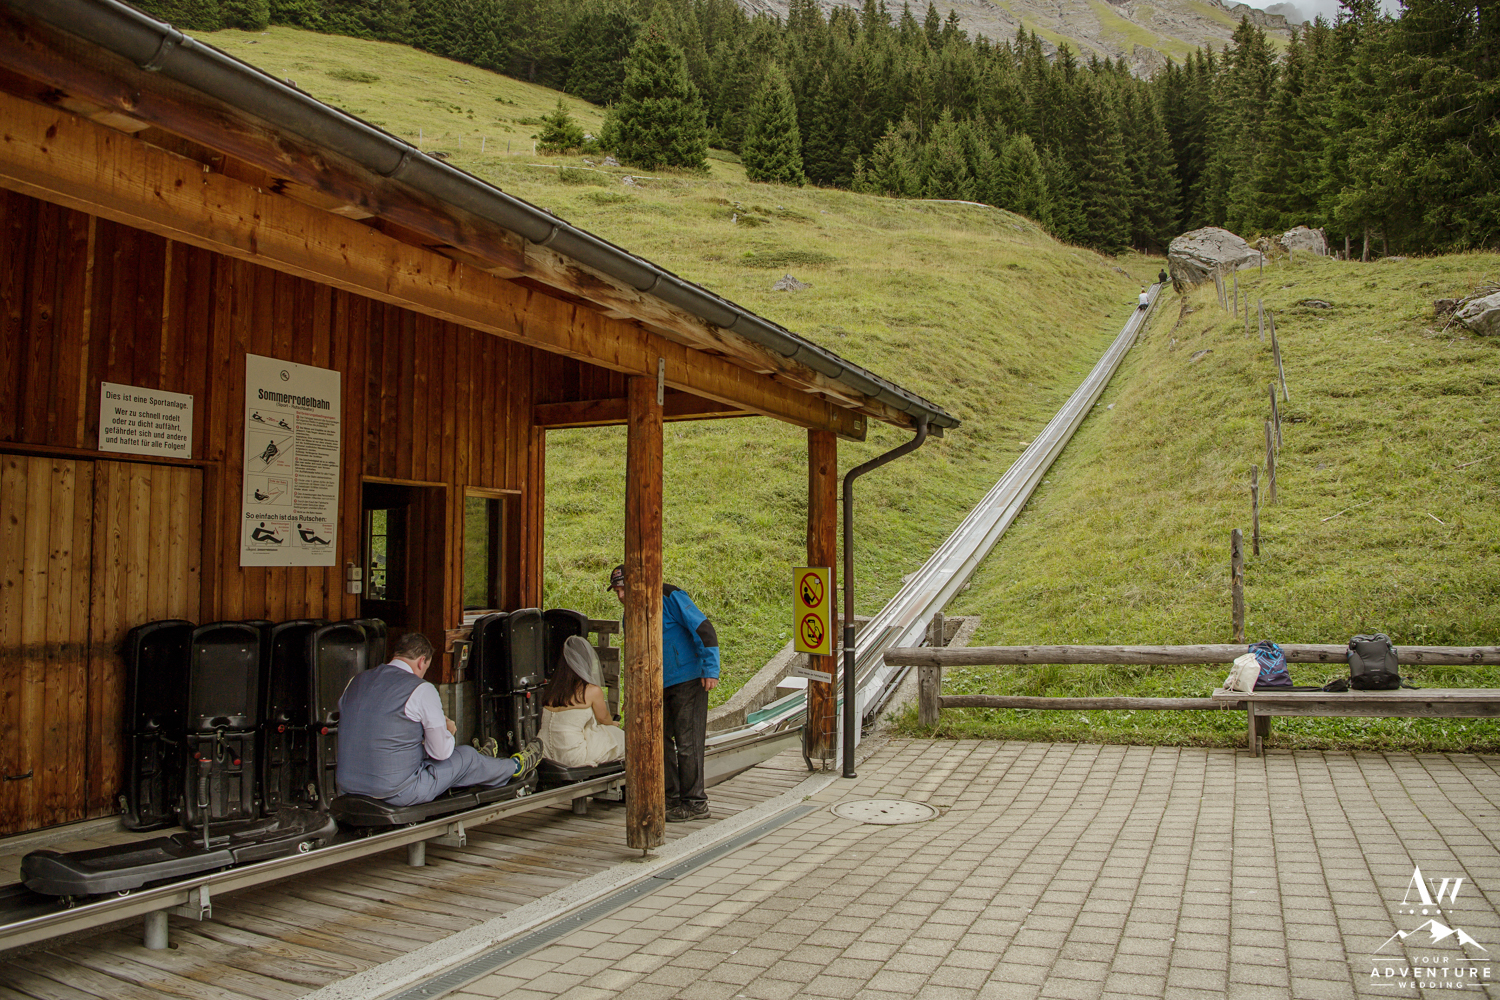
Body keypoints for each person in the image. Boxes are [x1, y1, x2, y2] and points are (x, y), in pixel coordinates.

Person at [336, 632, 541, 807]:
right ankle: (515, 767)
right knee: (465, 756)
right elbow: (441, 752)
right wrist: (447, 730)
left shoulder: (356, 681)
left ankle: (482, 762)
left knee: (452, 757)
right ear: (421, 661)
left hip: (349, 787)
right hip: (397, 792)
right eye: (426, 668)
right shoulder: (421, 688)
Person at [609, 564, 719, 822]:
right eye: (616, 591)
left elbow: (704, 629)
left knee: (687, 743)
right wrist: (632, 693)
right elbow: (634, 656)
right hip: (655, 686)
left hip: (689, 679)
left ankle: (695, 802)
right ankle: (670, 798)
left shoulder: (670, 595)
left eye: (624, 588)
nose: (621, 596)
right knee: (659, 742)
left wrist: (710, 669)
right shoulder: (629, 616)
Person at [538, 636, 625, 767]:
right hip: (572, 755)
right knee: (620, 737)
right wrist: (612, 723)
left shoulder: (552, 689)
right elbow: (603, 718)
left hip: (544, 753)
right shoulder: (591, 690)